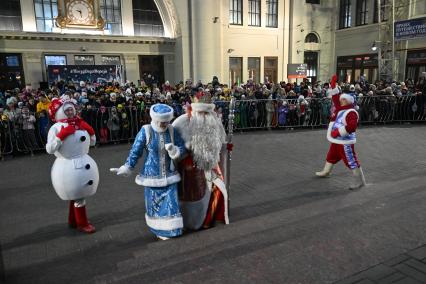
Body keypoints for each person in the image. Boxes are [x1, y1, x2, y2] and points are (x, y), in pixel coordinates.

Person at [110, 104, 186, 240]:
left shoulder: (172, 130)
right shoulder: (146, 130)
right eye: (163, 122)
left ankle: (172, 229)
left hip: (170, 174)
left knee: (171, 204)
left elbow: (182, 147)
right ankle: (159, 230)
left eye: (167, 121)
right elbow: (136, 151)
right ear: (156, 119)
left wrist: (175, 150)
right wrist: (127, 166)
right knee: (155, 206)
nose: (165, 124)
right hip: (152, 175)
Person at [173, 90, 229, 230]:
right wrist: (184, 150)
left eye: (206, 113)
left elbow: (221, 142)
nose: (204, 116)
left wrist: (225, 147)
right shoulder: (181, 122)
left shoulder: (215, 122)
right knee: (192, 198)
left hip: (211, 167)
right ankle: (189, 223)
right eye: (201, 112)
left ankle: (209, 218)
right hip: (189, 169)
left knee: (216, 192)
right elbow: (172, 145)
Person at [46, 96, 99, 233]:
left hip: (83, 162)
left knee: (77, 194)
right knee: (78, 195)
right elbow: (50, 149)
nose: (70, 112)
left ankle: (73, 220)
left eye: (71, 109)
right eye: (66, 110)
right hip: (68, 167)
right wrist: (61, 136)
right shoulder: (56, 127)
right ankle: (82, 223)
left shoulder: (79, 123)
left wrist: (91, 132)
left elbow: (91, 143)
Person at [315, 75, 366, 190]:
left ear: (348, 101)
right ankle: (326, 171)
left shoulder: (351, 112)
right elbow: (335, 97)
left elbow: (352, 127)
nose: (340, 100)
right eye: (341, 99)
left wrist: (338, 132)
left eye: (343, 99)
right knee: (331, 155)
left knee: (350, 160)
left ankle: (359, 181)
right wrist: (333, 85)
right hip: (337, 139)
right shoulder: (341, 108)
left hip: (345, 141)